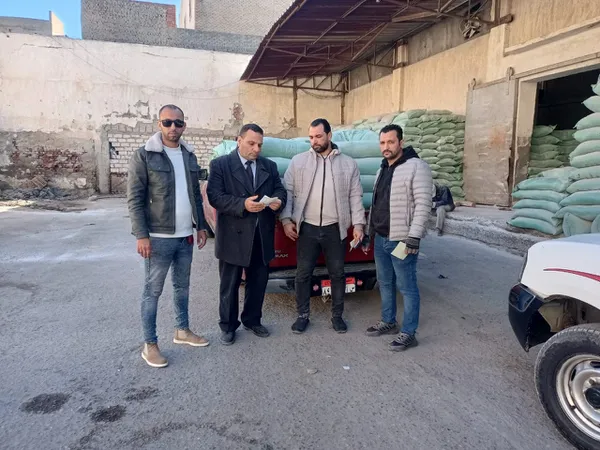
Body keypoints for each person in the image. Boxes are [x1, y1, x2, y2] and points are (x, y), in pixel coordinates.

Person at [127, 104, 210, 368]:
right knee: (153, 291)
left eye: (178, 123)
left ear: (184, 125)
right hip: (158, 237)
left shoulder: (188, 155)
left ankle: (182, 330)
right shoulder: (145, 155)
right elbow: (135, 199)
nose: (173, 127)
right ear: (159, 124)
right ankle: (150, 344)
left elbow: (195, 194)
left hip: (185, 236)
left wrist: (201, 225)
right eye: (167, 122)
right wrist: (141, 235)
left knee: (182, 286)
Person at [280, 118, 365, 334]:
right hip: (307, 228)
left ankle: (337, 316)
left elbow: (355, 196)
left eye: (318, 136)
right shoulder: (299, 162)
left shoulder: (348, 164)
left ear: (329, 135)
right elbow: (288, 191)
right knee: (303, 274)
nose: (314, 141)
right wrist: (286, 220)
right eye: (311, 137)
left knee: (337, 274)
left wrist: (358, 224)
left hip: (335, 228)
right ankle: (302, 315)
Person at [207, 123, 286, 346]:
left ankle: (252, 320)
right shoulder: (221, 165)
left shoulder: (269, 166)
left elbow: (280, 189)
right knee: (230, 284)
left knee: (258, 282)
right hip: (233, 235)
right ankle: (228, 325)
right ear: (239, 140)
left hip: (261, 234)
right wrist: (242, 204)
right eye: (251, 143)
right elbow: (215, 196)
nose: (256, 149)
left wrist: (279, 201)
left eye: (260, 145)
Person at [363, 124, 432, 351]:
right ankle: (389, 321)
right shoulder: (382, 169)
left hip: (402, 240)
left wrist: (414, 237)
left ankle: (409, 332)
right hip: (381, 238)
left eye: (391, 142)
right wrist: (369, 233)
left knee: (407, 286)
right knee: (384, 282)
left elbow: (423, 204)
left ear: (401, 142)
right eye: (382, 142)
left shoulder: (416, 167)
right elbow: (376, 205)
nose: (386, 147)